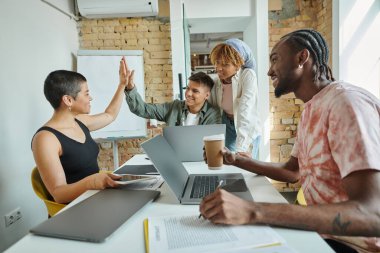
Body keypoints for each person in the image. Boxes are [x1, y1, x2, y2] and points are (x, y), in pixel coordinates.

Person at [200, 29, 380, 253]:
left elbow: (374, 214)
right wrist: (235, 159)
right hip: (319, 234)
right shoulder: (311, 109)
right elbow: (291, 171)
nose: (268, 71)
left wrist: (252, 210)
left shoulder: (347, 104)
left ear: (302, 58)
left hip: (353, 245)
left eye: (275, 59)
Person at [31, 57, 132, 204]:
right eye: (86, 93)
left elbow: (109, 115)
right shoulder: (45, 139)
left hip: (96, 200)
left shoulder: (79, 122)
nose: (90, 98)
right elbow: (59, 194)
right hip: (74, 211)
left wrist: (122, 84)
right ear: (68, 100)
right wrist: (91, 183)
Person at [208, 38, 261, 159]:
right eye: (217, 62)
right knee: (228, 165)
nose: (219, 68)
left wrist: (241, 148)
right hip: (227, 124)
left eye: (225, 64)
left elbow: (245, 111)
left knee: (246, 166)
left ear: (238, 65)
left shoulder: (248, 75)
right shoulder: (216, 81)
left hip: (247, 128)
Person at [124, 67, 221, 126]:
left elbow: (213, 145)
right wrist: (130, 88)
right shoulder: (174, 107)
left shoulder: (213, 114)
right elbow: (143, 109)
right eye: (187, 88)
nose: (188, 94)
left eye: (195, 91)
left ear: (207, 95)